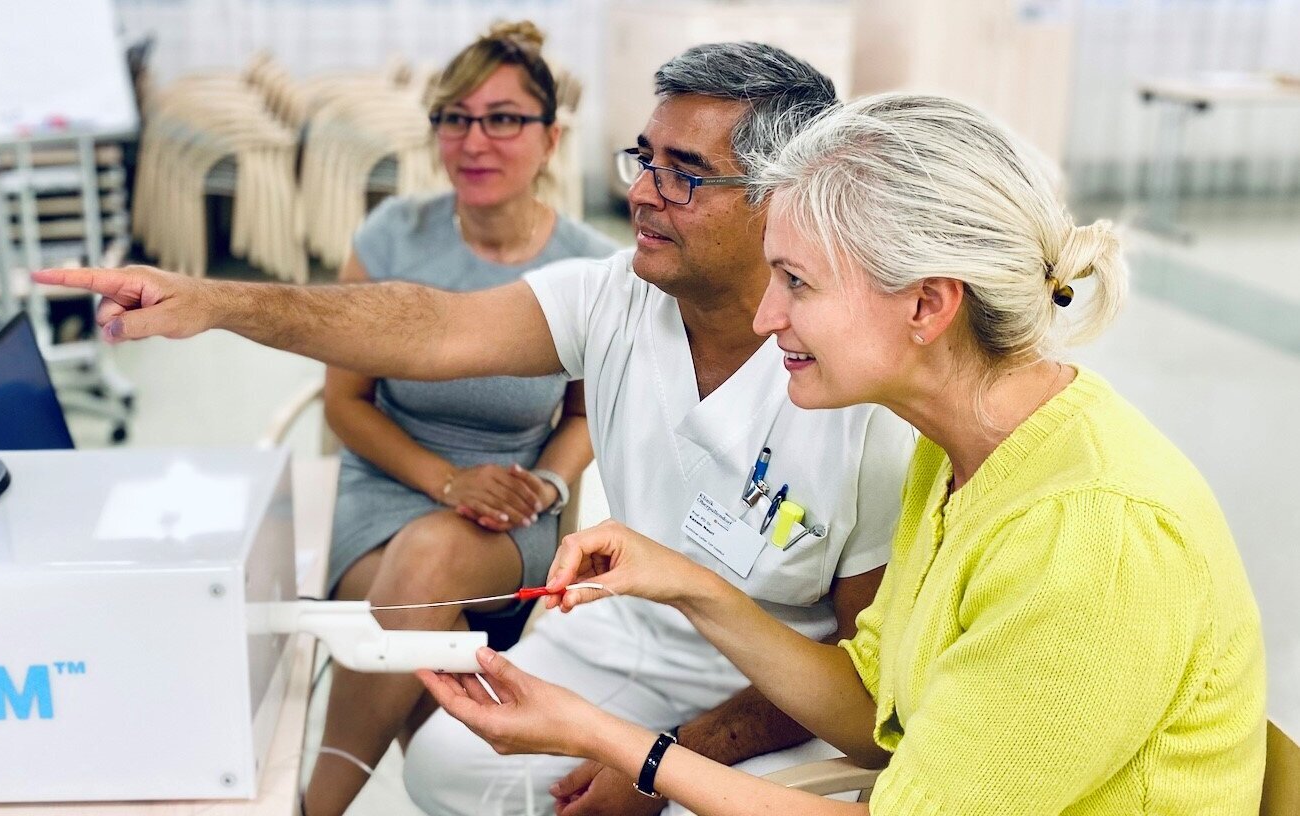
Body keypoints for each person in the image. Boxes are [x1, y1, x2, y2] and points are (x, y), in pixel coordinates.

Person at [34, 42, 916, 816]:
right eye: (642, 159)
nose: (643, 193)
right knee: (448, 767)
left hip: (767, 697)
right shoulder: (611, 293)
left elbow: (867, 684)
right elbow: (426, 327)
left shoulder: (861, 388)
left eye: (683, 172)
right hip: (624, 637)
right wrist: (216, 303)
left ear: (781, 197)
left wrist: (670, 762)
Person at [418, 93, 1268, 815]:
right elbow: (871, 712)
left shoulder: (1089, 541)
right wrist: (686, 582)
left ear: (928, 305)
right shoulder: (962, 452)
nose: (765, 318)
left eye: (798, 282)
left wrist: (606, 738)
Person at [307, 21, 615, 816]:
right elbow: (344, 402)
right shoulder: (389, 238)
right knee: (423, 610)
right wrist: (446, 482)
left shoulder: (589, 265)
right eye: (456, 118)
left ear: (550, 138)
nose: (475, 140)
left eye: (504, 118)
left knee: (430, 571)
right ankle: (440, 794)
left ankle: (315, 805)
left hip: (510, 508)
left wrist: (546, 481)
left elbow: (582, 416)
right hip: (385, 490)